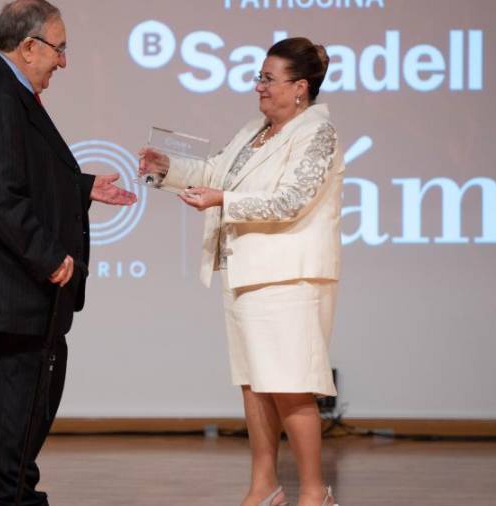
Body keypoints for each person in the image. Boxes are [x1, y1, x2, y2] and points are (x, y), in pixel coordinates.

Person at [0, 1, 136, 505]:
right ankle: (10, 495)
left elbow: (20, 173)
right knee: (24, 403)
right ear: (29, 47)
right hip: (11, 285)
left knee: (15, 402)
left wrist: (83, 186)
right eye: (59, 49)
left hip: (2, 286)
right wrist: (49, 256)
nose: (63, 62)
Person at [139, 37, 343, 506]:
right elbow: (216, 171)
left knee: (290, 385)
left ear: (300, 88)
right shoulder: (258, 130)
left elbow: (292, 200)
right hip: (244, 271)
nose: (259, 88)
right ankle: (264, 485)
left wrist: (224, 201)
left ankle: (314, 492)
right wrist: (167, 167)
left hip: (288, 276)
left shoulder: (318, 133)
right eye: (259, 77)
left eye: (269, 79)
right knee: (254, 384)